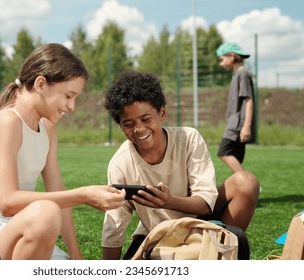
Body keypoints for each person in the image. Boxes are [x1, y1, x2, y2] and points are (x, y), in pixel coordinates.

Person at [0, 43, 125, 260]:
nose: (71, 106)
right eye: (68, 96)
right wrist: (83, 195)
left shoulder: (47, 129)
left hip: (30, 230)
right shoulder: (8, 121)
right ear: (41, 84)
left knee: (50, 214)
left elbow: (59, 195)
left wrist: (77, 258)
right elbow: (7, 202)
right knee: (47, 212)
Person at [101, 71, 260, 260]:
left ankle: (219, 250)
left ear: (162, 113)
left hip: (199, 222)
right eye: (128, 124)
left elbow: (206, 202)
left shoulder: (188, 138)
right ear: (120, 126)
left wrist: (169, 201)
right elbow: (115, 223)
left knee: (246, 182)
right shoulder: (120, 163)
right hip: (157, 233)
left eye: (146, 119)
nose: (139, 129)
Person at [216, 42, 256, 173]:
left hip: (238, 125)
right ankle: (244, 189)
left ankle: (248, 184)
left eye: (222, 59)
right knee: (237, 158)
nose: (221, 63)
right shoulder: (237, 75)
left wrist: (246, 126)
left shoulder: (242, 74)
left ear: (231, 56)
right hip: (235, 123)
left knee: (224, 152)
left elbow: (249, 100)